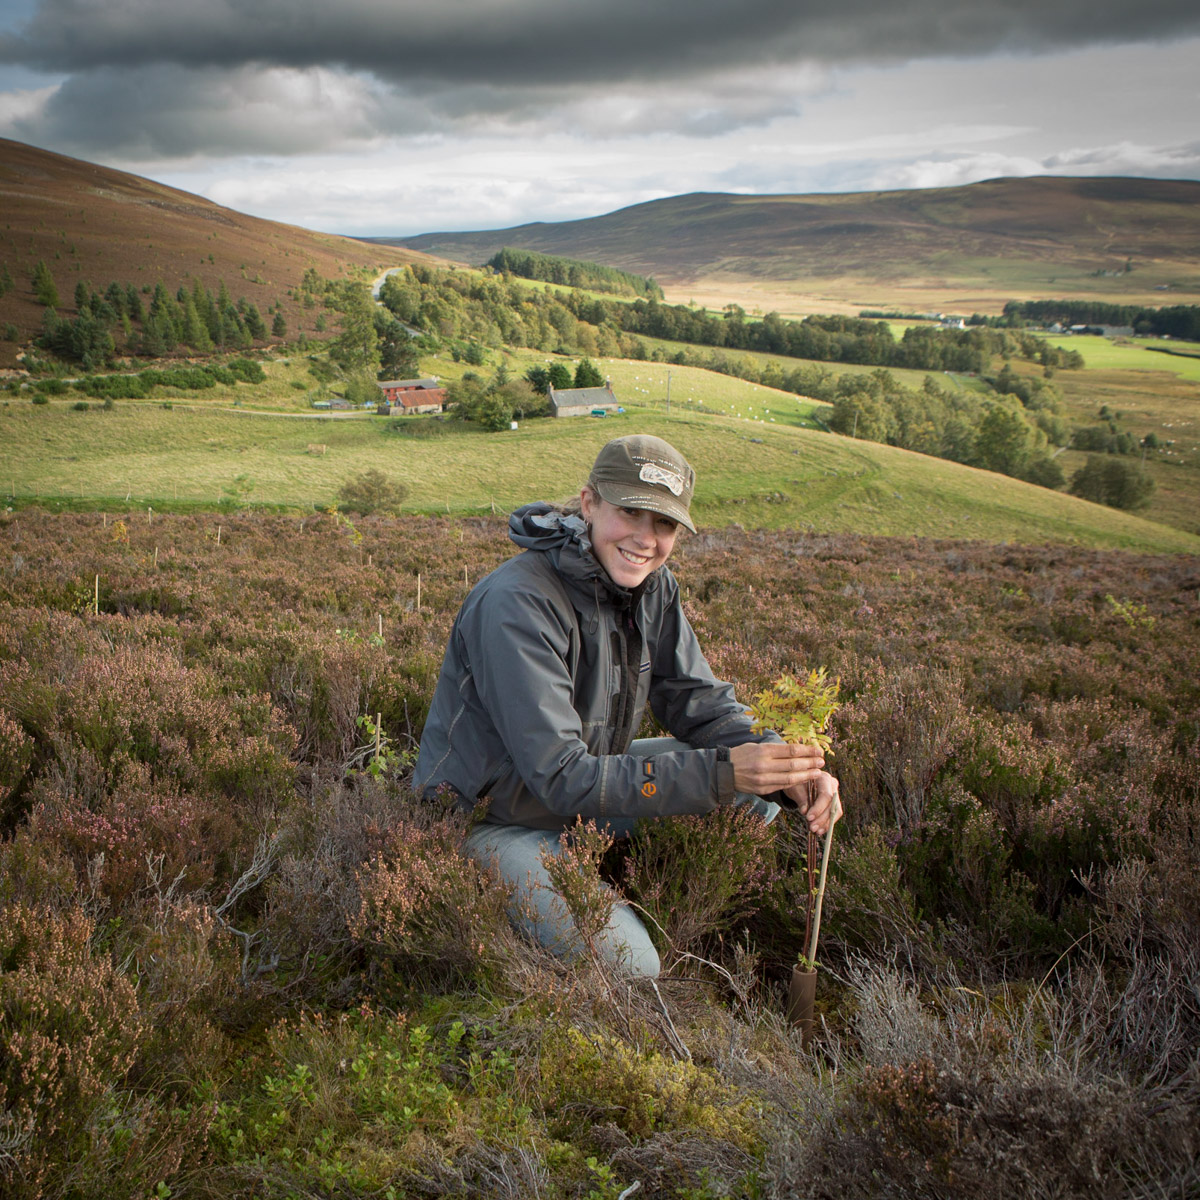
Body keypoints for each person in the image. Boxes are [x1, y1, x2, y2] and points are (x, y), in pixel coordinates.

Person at [415, 434, 839, 977]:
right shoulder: (517, 604)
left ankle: (646, 900)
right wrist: (723, 771)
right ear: (589, 503)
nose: (645, 539)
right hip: (495, 817)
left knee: (755, 796)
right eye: (630, 513)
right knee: (633, 966)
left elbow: (697, 700)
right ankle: (560, 899)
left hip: (584, 793)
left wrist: (782, 766)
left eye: (664, 524)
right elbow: (559, 774)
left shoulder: (653, 588)